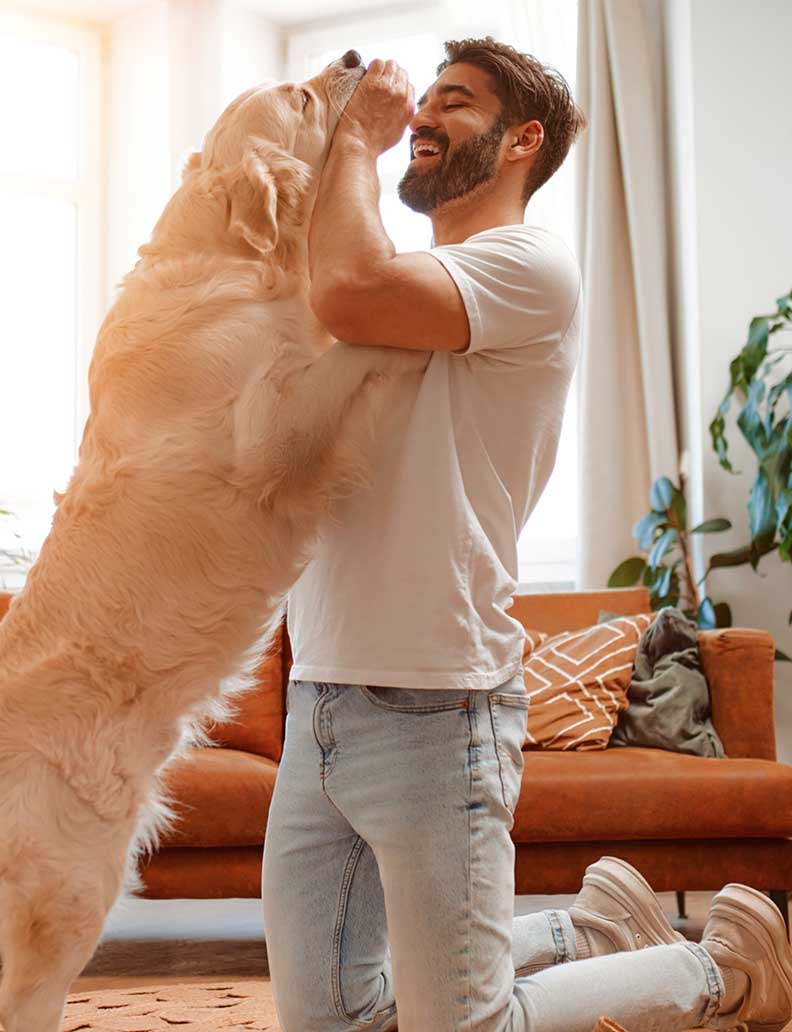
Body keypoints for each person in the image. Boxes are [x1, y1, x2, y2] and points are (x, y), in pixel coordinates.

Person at [260, 36, 792, 1032]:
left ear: (521, 141)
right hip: (318, 695)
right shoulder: (410, 289)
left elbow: (340, 288)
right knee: (337, 1019)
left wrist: (352, 145)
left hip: (436, 708)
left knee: (469, 1025)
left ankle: (719, 971)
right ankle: (585, 932)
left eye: (451, 102)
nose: (420, 113)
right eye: (418, 100)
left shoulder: (526, 265)